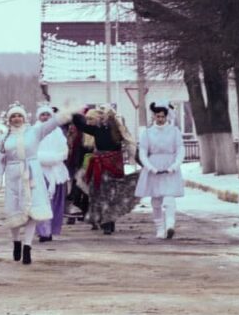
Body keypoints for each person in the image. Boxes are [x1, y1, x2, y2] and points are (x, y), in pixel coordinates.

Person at [0, 104, 68, 265]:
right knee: (14, 211)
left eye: (19, 116)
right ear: (9, 120)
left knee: (33, 211)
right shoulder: (3, 138)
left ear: (24, 118)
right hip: (13, 175)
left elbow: (51, 124)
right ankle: (16, 242)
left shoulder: (34, 132)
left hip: (32, 173)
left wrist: (65, 112)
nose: (16, 119)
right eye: (13, 116)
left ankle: (27, 246)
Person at [71, 105, 138, 235]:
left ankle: (109, 221)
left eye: (103, 114)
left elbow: (130, 143)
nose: (101, 116)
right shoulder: (97, 129)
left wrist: (138, 159)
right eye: (100, 114)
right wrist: (73, 112)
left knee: (111, 194)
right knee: (102, 193)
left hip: (114, 164)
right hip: (101, 164)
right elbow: (82, 126)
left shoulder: (118, 129)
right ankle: (106, 222)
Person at [135, 101, 185, 239]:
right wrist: (150, 167)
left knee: (169, 197)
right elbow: (143, 152)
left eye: (163, 116)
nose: (160, 119)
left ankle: (170, 225)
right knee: (156, 200)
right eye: (158, 116)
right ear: (154, 116)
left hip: (170, 167)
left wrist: (175, 165)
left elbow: (180, 149)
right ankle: (159, 229)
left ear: (166, 116)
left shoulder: (174, 131)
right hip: (154, 167)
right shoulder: (147, 133)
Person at [36, 106, 70, 242]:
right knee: (41, 202)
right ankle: (43, 231)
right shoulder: (34, 131)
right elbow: (31, 151)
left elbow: (64, 151)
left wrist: (56, 158)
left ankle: (52, 229)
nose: (45, 117)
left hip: (57, 172)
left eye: (48, 115)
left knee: (56, 203)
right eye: (42, 115)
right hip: (40, 171)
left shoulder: (58, 132)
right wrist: (45, 158)